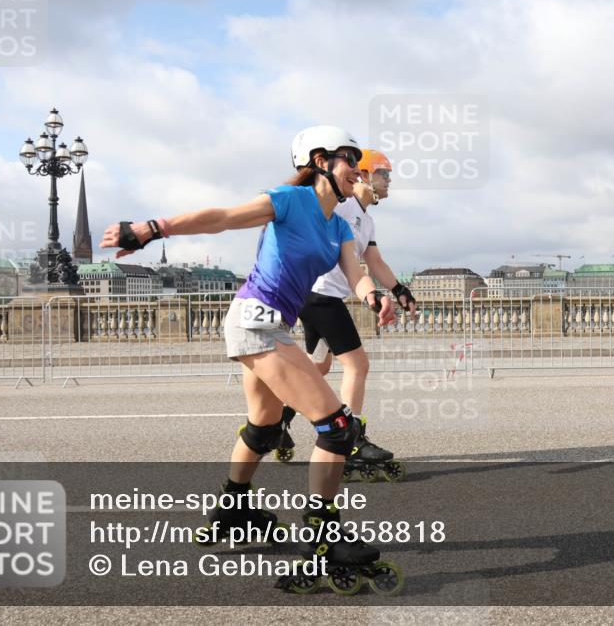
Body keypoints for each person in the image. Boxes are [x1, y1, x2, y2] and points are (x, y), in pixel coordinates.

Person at [98, 126, 403, 596]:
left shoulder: (340, 225)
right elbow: (221, 218)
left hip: (270, 326)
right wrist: (151, 229)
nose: (356, 169)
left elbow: (356, 273)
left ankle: (233, 508)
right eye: (348, 158)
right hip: (254, 321)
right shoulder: (287, 200)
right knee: (337, 428)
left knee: (263, 426)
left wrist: (374, 297)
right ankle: (323, 539)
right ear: (320, 161)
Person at [279, 149, 417, 483]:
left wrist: (400, 289)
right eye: (384, 174)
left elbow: (375, 261)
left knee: (320, 366)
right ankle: (351, 442)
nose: (389, 182)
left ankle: (276, 422)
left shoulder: (366, 218)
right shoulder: (342, 206)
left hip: (321, 296)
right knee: (358, 365)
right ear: (364, 174)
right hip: (320, 294)